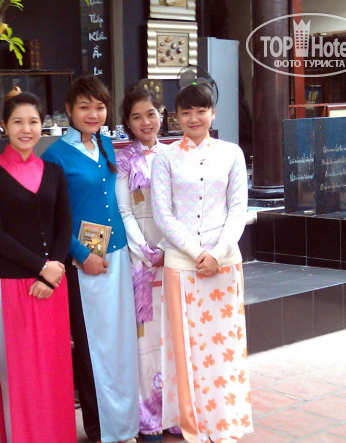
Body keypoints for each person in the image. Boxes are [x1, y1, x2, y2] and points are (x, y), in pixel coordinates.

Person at [151, 83, 253, 442]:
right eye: (186, 112)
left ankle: (225, 420)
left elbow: (238, 209)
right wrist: (197, 254)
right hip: (182, 264)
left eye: (201, 110)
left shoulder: (231, 153)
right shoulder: (164, 157)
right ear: (175, 117)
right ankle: (192, 422)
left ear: (213, 113)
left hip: (224, 264)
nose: (194, 118)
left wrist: (218, 253)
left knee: (223, 346)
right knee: (186, 347)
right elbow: (162, 214)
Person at [0, 91, 76, 442]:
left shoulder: (54, 172)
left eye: (33, 121)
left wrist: (53, 270)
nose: (26, 128)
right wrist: (41, 268)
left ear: (42, 125)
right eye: (18, 121)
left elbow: (65, 224)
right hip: (11, 287)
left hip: (53, 284)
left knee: (54, 369)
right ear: (4, 126)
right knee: (19, 372)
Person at [41, 75, 138, 443]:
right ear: (69, 110)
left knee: (120, 343)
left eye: (99, 107)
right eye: (84, 107)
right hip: (85, 264)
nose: (93, 114)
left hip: (118, 256)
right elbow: (52, 219)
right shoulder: (54, 156)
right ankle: (101, 429)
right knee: (92, 346)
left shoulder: (107, 145)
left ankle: (126, 425)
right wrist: (81, 254)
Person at [115, 87, 179, 442]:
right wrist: (145, 250)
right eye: (136, 117)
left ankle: (176, 413)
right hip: (141, 262)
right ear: (127, 122)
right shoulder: (122, 160)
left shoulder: (174, 155)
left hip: (175, 257)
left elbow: (182, 208)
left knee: (174, 336)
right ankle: (149, 418)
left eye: (151, 114)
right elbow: (125, 211)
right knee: (146, 341)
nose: (145, 122)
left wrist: (170, 248)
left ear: (162, 114)